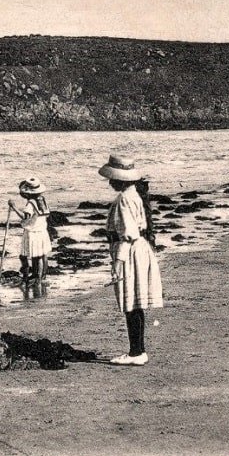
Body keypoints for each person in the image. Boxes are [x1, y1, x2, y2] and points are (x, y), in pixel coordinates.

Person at [99, 154, 164, 365]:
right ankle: (138, 350)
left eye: (112, 177)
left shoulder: (125, 199)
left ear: (120, 179)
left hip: (131, 252)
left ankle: (136, 352)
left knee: (131, 302)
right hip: (140, 250)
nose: (109, 181)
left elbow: (127, 234)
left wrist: (117, 264)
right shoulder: (134, 195)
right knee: (136, 301)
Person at [8, 178, 52, 284]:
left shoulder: (30, 204)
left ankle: (36, 278)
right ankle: (42, 276)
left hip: (33, 232)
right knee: (42, 255)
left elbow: (25, 218)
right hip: (42, 231)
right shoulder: (43, 200)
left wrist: (14, 207)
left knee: (35, 256)